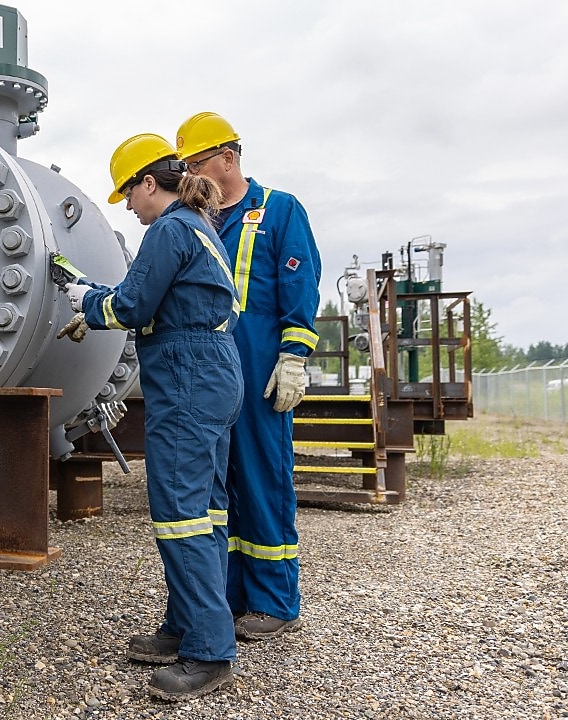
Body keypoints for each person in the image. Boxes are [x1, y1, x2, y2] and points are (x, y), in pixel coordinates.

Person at [58, 133, 242, 701]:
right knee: (206, 512)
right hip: (213, 372)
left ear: (147, 182)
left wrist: (85, 301)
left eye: (128, 195)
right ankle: (186, 625)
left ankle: (208, 651)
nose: (128, 208)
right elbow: (155, 297)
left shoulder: (167, 229)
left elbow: (133, 305)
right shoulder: (199, 226)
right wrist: (100, 297)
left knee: (181, 514)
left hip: (188, 377)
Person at [174, 112, 321, 641]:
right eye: (184, 168)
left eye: (196, 165)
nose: (189, 176)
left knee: (263, 478)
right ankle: (231, 595)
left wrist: (293, 357)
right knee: (220, 483)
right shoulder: (198, 219)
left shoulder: (279, 210)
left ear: (228, 158)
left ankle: (275, 601)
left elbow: (299, 288)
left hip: (259, 369)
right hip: (212, 370)